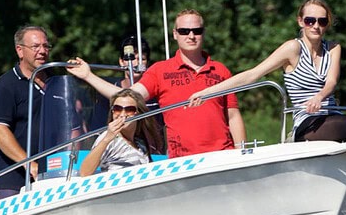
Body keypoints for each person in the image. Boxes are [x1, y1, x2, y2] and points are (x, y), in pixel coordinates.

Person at [189, 0, 346, 148]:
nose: (316, 25)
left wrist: (320, 97)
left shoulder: (334, 48)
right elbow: (252, 75)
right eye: (310, 20)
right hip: (306, 125)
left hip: (331, 116)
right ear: (301, 22)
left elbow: (332, 82)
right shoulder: (292, 48)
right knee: (342, 125)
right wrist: (207, 92)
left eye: (321, 20)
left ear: (327, 23)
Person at [68, 9, 246, 157]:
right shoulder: (160, 71)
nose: (191, 36)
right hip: (183, 160)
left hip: (224, 154)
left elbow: (233, 116)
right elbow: (126, 97)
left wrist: (242, 152)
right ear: (175, 34)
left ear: (203, 33)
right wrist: (88, 76)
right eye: (184, 31)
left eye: (196, 31)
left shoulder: (221, 70)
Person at [0, 25, 52, 201]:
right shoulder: (5, 85)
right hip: (13, 179)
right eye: (35, 46)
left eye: (46, 46)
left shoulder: (57, 82)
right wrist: (30, 164)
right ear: (20, 50)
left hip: (56, 173)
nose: (42, 51)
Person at [79, 89, 163, 176]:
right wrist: (106, 139)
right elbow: (85, 172)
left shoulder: (140, 143)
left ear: (138, 113)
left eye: (129, 109)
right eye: (117, 109)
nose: (122, 114)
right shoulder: (109, 139)